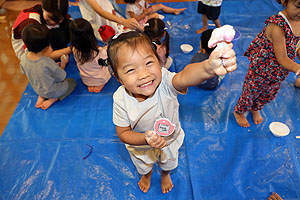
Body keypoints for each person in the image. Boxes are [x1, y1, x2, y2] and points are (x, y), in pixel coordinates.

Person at [107, 30, 236, 193]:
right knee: (143, 165)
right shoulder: (120, 99)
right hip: (141, 146)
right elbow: (123, 132)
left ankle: (165, 174)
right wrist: (145, 139)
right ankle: (146, 175)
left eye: (148, 63)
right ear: (118, 77)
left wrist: (208, 67)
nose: (144, 74)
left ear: (159, 61)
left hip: (169, 140)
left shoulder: (165, 81)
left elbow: (185, 77)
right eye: (131, 70)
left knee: (168, 162)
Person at [233, 0, 300, 128]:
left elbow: (296, 44)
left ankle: (255, 108)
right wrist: (298, 68)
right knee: (251, 92)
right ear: (284, 1)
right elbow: (282, 58)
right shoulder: (277, 26)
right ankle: (239, 111)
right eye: (298, 6)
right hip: (262, 69)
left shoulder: (298, 20)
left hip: (279, 72)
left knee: (268, 94)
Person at [20, 24, 76, 110]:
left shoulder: (23, 58)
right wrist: (63, 64)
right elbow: (62, 77)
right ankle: (54, 99)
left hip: (38, 88)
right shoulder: (47, 62)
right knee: (72, 83)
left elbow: (26, 71)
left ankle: (42, 96)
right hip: (52, 91)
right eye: (50, 45)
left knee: (44, 82)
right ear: (46, 48)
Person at [69, 18, 111, 93]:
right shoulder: (99, 52)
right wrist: (107, 48)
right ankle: (100, 84)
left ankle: (91, 84)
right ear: (91, 34)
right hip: (100, 78)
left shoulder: (74, 50)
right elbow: (106, 63)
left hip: (86, 80)